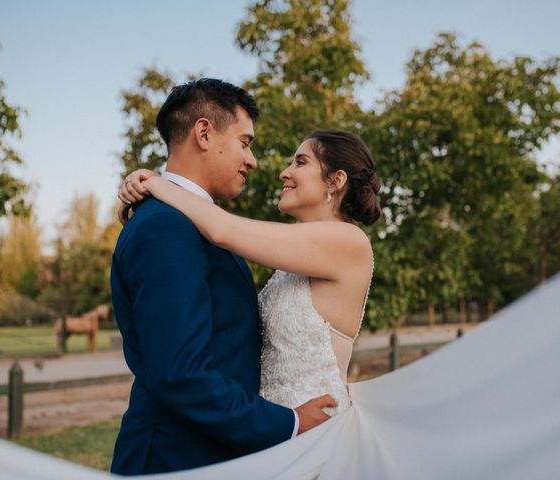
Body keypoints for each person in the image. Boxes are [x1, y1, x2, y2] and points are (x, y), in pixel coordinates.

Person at [110, 79, 337, 476]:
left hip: (213, 455)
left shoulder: (183, 218)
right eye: (245, 142)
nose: (252, 160)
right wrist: (291, 423)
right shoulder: (167, 227)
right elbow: (180, 373)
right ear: (203, 132)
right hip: (177, 460)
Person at [119, 127, 381, 421]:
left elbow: (222, 230)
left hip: (317, 427)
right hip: (277, 425)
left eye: (301, 162)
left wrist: (156, 183)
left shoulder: (348, 241)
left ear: (336, 179)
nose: (285, 172)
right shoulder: (295, 257)